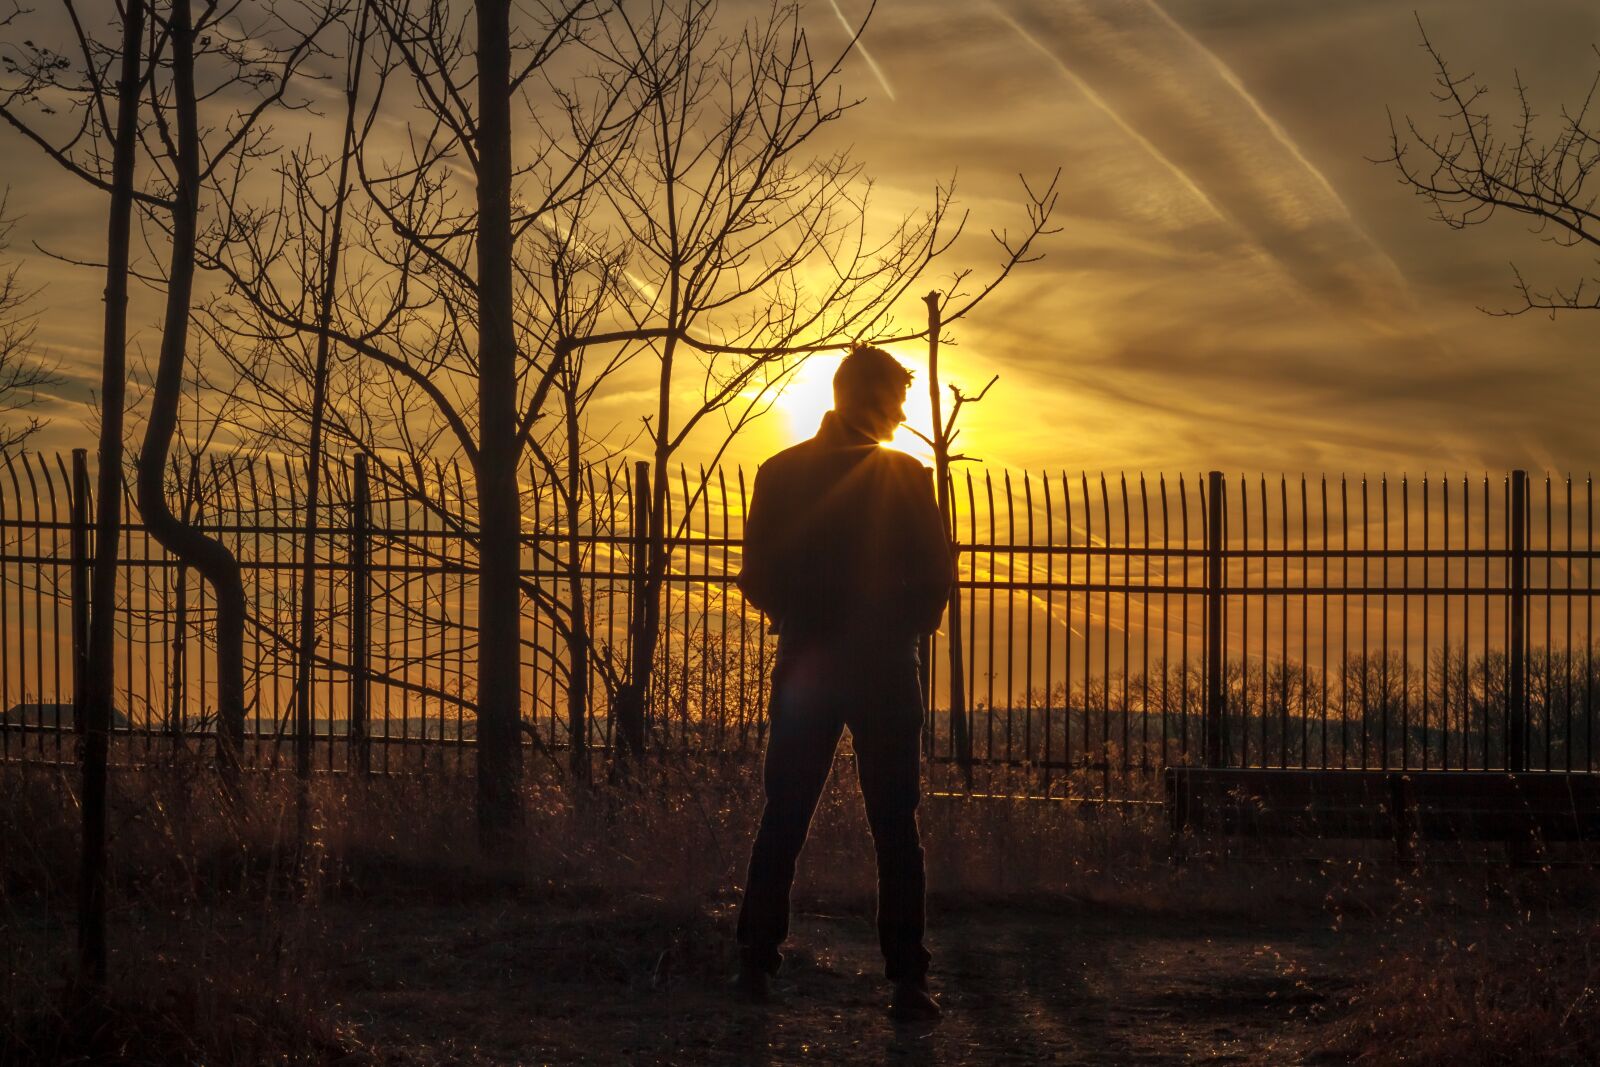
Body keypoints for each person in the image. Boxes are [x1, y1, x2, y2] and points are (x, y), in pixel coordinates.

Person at [733, 343, 953, 1023]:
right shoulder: (908, 477)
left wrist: (801, 617)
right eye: (897, 399)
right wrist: (899, 626)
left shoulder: (781, 471)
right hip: (886, 664)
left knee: (786, 812)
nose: (902, 412)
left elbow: (756, 577)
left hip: (808, 659)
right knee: (894, 822)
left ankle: (752, 964)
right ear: (875, 398)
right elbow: (938, 578)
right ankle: (907, 978)